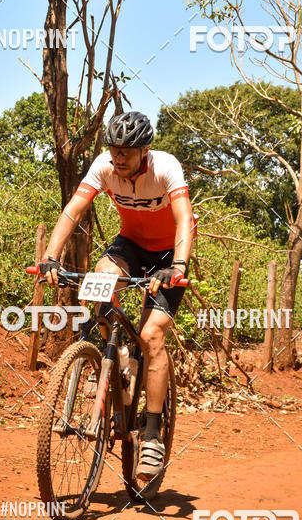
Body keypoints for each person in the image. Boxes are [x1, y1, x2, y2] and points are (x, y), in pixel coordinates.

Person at [39, 110, 194, 480]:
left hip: (168, 254)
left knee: (151, 335)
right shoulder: (104, 167)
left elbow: (185, 219)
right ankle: (112, 360)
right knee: (101, 281)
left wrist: (179, 266)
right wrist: (50, 257)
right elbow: (74, 209)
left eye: (126, 151)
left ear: (145, 150)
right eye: (113, 149)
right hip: (129, 247)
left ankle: (153, 434)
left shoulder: (166, 168)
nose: (118, 158)